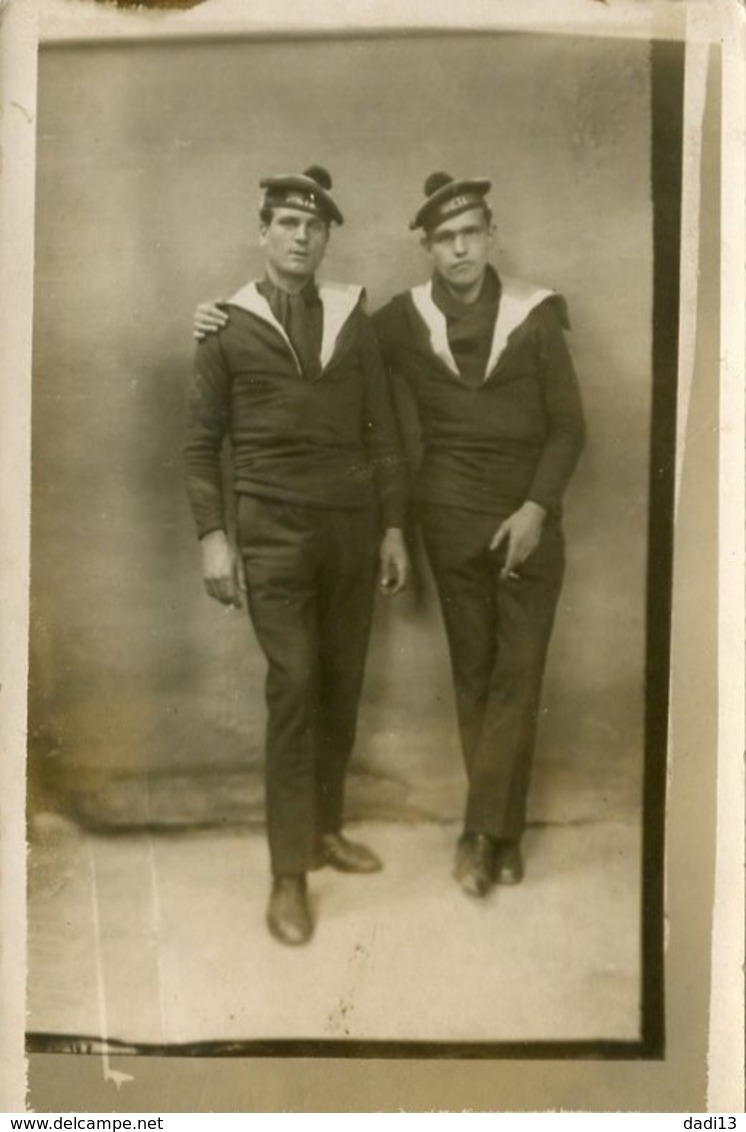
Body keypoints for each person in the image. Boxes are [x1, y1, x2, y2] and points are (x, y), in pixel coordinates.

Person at [193, 171, 585, 901]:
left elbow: (564, 427)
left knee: (511, 675)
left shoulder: (530, 314)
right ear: (427, 249)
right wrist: (216, 318)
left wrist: (530, 508)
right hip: (425, 521)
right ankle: (454, 837)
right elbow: (285, 372)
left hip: (513, 519)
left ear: (490, 235)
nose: (461, 250)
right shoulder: (396, 320)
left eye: (472, 234)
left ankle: (486, 832)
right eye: (445, 239)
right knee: (454, 676)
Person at [184, 166, 409, 946]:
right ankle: (288, 874)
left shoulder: (354, 314)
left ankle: (324, 829)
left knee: (341, 685)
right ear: (264, 233)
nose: (301, 236)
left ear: (326, 238)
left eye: (313, 226)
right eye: (286, 223)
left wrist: (391, 528)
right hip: (273, 533)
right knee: (297, 683)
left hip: (351, 531)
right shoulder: (226, 325)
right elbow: (197, 443)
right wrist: (214, 535)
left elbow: (381, 429)